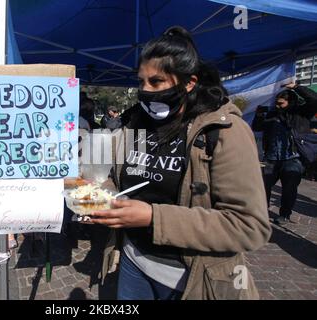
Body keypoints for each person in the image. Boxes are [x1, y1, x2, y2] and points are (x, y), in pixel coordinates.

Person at [90, 26, 271, 300]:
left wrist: (153, 217)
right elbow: (118, 179)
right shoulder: (136, 124)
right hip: (133, 263)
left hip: (191, 280)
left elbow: (248, 226)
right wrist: (102, 197)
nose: (145, 91)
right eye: (141, 82)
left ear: (189, 83)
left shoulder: (223, 130)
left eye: (157, 81)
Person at [252, 83, 317, 224]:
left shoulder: (301, 113)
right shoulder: (272, 114)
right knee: (263, 186)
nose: (277, 106)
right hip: (271, 158)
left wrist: (296, 87)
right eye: (276, 103)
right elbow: (257, 127)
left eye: (281, 103)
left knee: (289, 188)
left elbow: (314, 100)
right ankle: (262, 211)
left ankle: (285, 214)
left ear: (291, 102)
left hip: (293, 158)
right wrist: (258, 116)